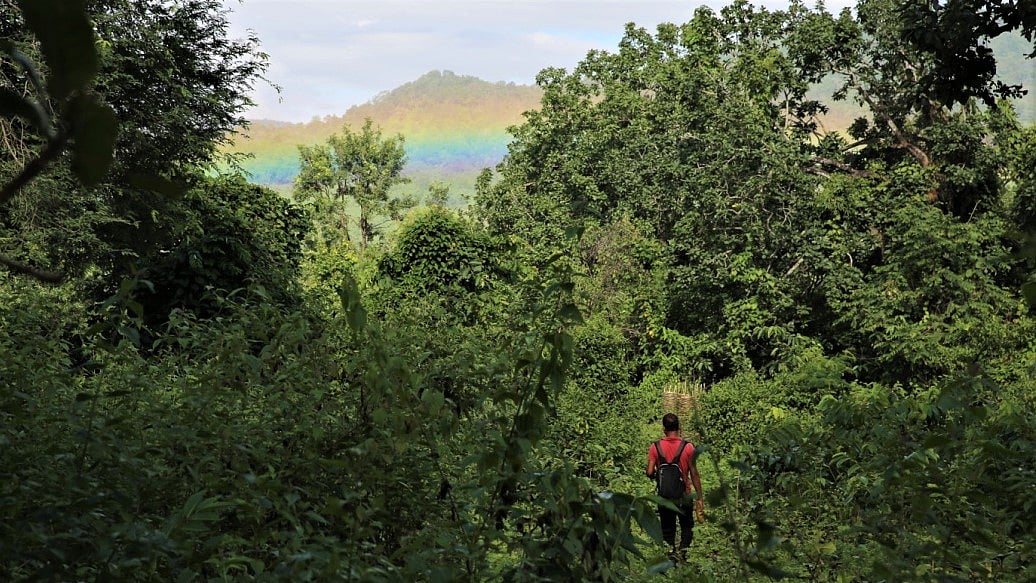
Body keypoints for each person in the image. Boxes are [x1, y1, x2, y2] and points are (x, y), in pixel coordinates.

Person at [646, 412, 704, 562]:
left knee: (667, 529)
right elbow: (694, 474)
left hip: (664, 496)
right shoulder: (688, 447)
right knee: (687, 526)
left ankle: (671, 557)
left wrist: (656, 475)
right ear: (679, 427)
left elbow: (649, 471)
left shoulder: (655, 447)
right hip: (684, 495)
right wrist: (699, 497)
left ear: (664, 428)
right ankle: (683, 553)